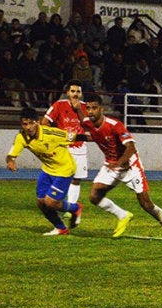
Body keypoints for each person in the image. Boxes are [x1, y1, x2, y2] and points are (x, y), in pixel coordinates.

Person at [82, 94, 162, 242]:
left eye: (94, 108)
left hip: (130, 167)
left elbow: (131, 147)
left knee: (146, 204)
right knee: (94, 196)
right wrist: (71, 137)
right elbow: (93, 135)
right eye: (88, 108)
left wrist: (119, 162)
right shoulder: (89, 124)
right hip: (111, 165)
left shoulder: (115, 125)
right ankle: (122, 215)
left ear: (101, 109)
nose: (90, 111)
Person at [6, 108, 84, 235]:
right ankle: (61, 228)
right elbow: (11, 154)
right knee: (41, 203)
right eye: (25, 124)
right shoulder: (22, 137)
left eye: (31, 123)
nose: (28, 127)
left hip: (65, 169)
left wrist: (101, 137)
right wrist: (10, 161)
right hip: (47, 170)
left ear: (37, 122)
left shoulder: (52, 133)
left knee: (50, 202)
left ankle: (75, 208)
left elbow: (78, 136)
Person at [42, 79, 89, 211]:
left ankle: (70, 207)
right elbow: (44, 122)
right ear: (67, 92)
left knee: (76, 179)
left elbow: (90, 126)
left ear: (81, 94)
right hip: (63, 147)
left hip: (80, 146)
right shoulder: (59, 105)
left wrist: (79, 110)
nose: (75, 94)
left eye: (78, 91)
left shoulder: (86, 107)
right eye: (72, 91)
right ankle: (52, 201)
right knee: (58, 176)